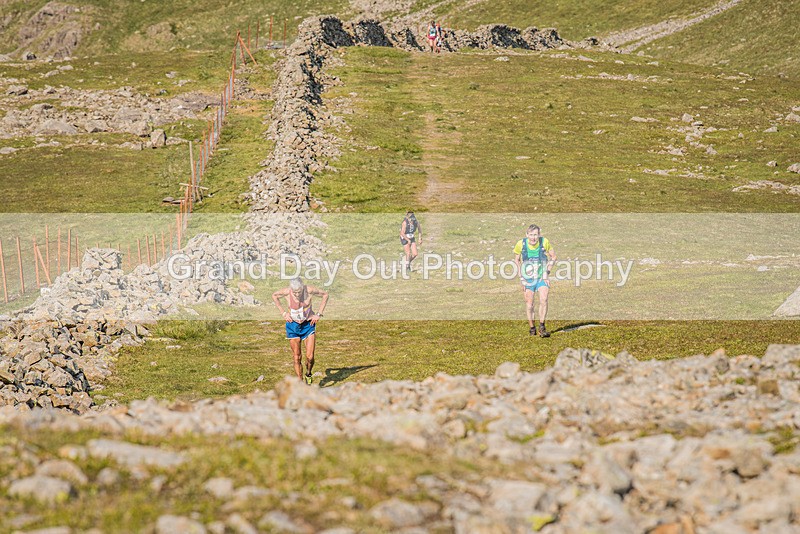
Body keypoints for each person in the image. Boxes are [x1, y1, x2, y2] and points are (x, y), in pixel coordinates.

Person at [272, 277, 329, 384]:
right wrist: (283, 313)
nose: (297, 294)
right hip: (293, 326)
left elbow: (325, 294)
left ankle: (308, 373)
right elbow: (274, 295)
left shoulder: (309, 290)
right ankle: (300, 383)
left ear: (303, 288)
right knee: (297, 357)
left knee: (310, 357)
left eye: (299, 292)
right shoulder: (286, 292)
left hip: (308, 324)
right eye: (294, 292)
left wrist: (319, 314)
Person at [513, 224, 556, 337]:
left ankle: (542, 326)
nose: (533, 237)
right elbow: (517, 260)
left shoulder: (544, 242)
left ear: (539, 235)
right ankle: (532, 328)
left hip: (541, 277)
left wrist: (546, 273)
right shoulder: (520, 244)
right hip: (528, 279)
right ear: (527, 235)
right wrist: (521, 277)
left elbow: (553, 257)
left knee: (544, 299)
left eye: (535, 235)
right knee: (529, 305)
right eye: (531, 235)